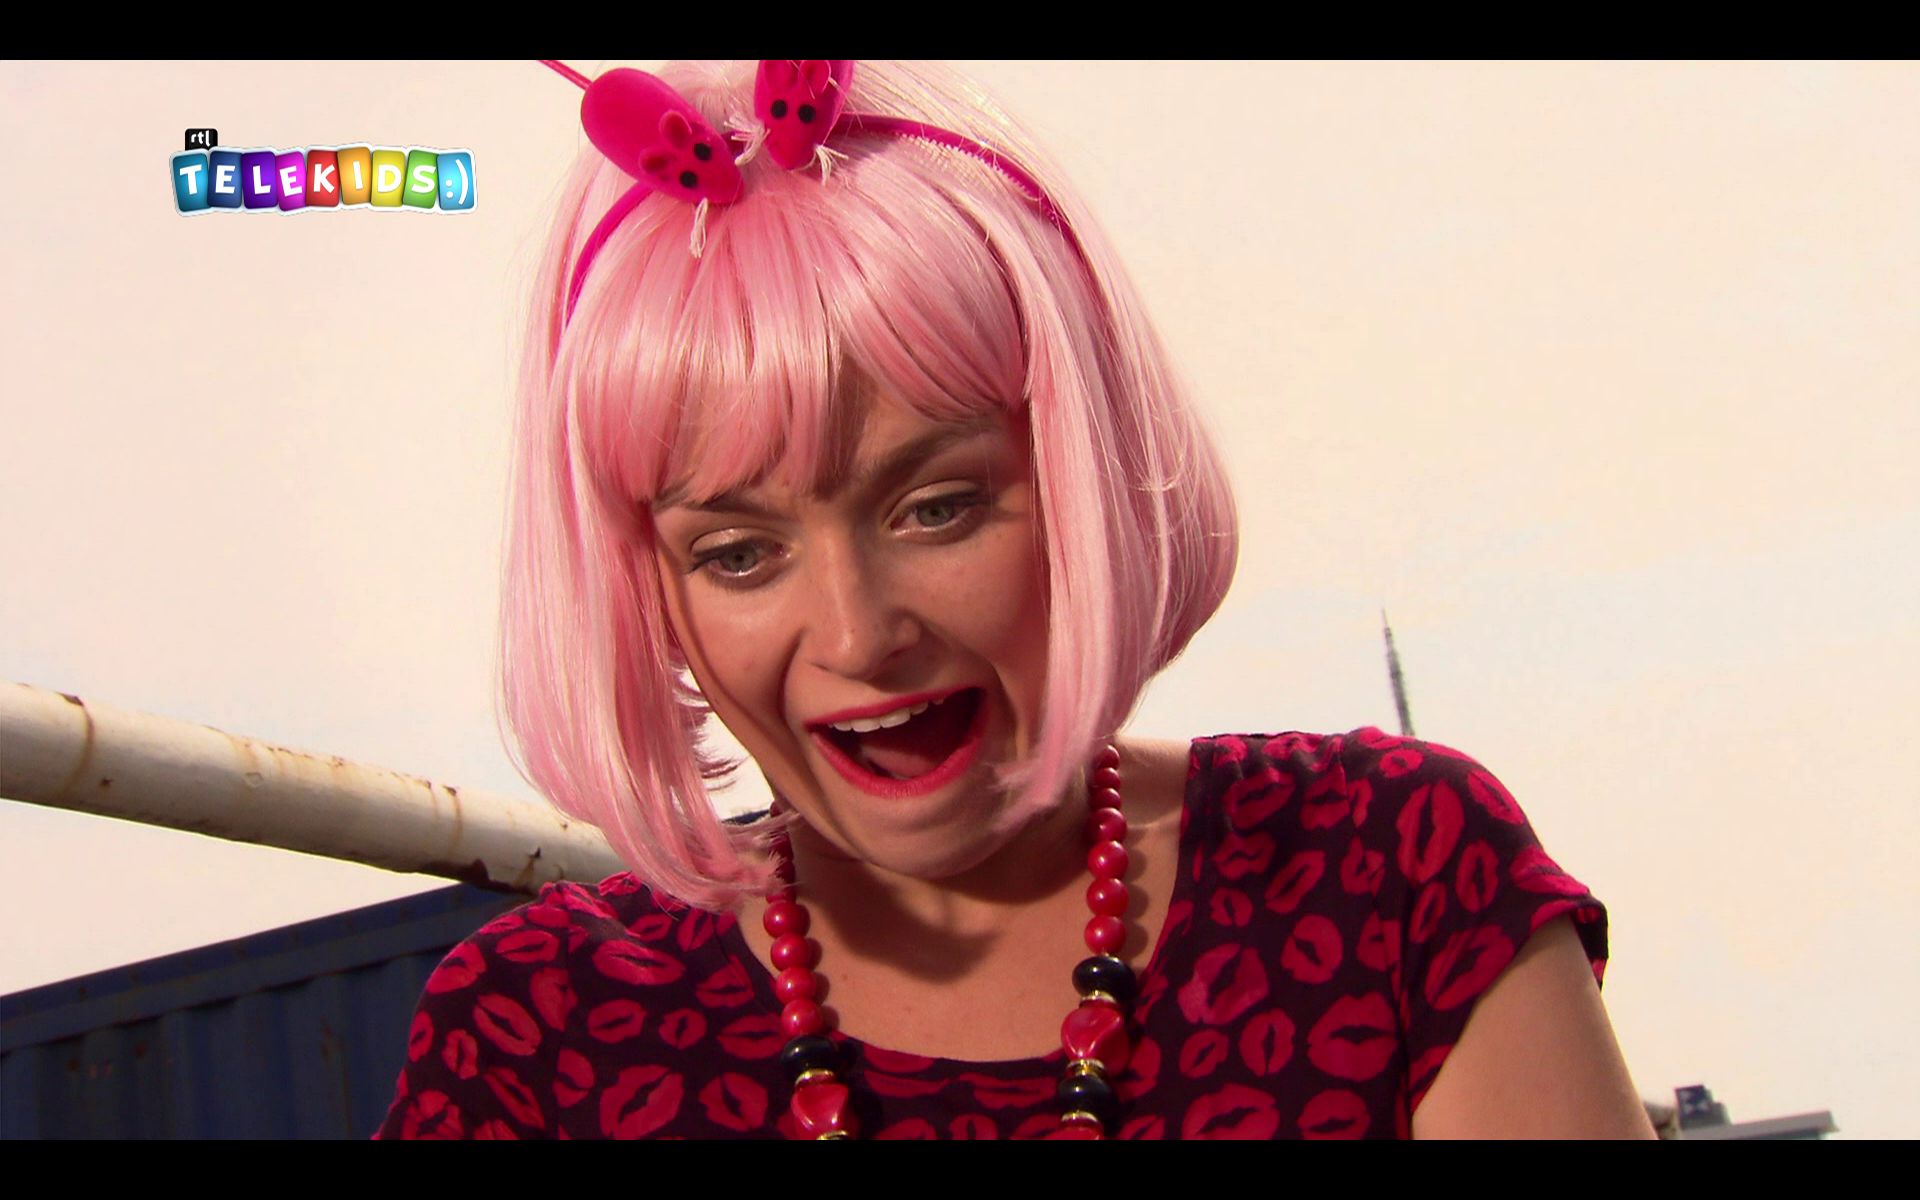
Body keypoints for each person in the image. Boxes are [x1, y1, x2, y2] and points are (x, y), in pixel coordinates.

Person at [376, 60, 1653, 1140]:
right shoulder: (537, 1032)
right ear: (645, 592)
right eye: (739, 555)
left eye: (935, 508)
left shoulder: (1391, 875)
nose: (860, 634)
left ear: (1079, 476)